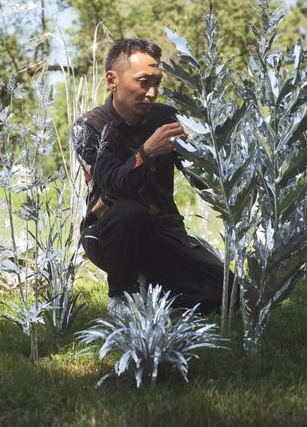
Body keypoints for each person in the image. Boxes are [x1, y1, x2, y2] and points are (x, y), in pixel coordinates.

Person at [74, 38, 226, 314]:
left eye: (157, 83)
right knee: (130, 210)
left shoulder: (166, 117)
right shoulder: (89, 127)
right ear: (112, 80)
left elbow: (201, 179)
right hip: (110, 237)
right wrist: (147, 152)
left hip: (164, 233)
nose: (153, 93)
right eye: (144, 82)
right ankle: (122, 297)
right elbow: (115, 187)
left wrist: (206, 154)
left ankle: (157, 297)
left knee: (228, 293)